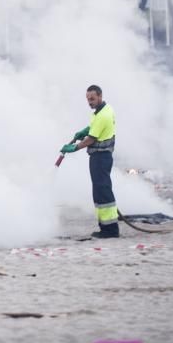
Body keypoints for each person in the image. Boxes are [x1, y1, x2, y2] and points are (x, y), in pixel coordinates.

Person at [60, 84, 119, 239]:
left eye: (92, 99)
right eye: (88, 99)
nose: (90, 102)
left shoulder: (103, 115)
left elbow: (91, 140)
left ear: (100, 96)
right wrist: (85, 130)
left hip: (101, 157)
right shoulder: (103, 111)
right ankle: (106, 227)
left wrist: (74, 147)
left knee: (102, 192)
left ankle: (110, 230)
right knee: (100, 191)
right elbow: (94, 128)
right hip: (101, 157)